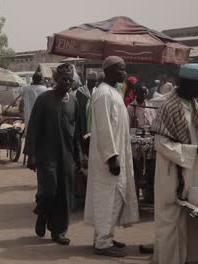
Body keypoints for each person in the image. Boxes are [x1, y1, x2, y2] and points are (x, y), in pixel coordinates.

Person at [151, 64, 198, 264]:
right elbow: (162, 144)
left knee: (193, 220)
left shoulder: (193, 104)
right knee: (171, 223)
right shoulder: (169, 106)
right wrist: (195, 151)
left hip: (193, 170)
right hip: (173, 173)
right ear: (187, 84)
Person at [84, 56, 139, 258]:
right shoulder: (103, 94)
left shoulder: (113, 92)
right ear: (108, 71)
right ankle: (102, 243)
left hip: (117, 155)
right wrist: (112, 157)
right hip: (109, 158)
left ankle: (106, 236)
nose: (123, 73)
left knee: (113, 198)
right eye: (120, 70)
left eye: (124, 70)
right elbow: (104, 128)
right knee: (107, 199)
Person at [24, 63, 83, 246]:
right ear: (56, 80)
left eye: (69, 80)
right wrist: (31, 154)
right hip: (46, 154)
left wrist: (78, 155)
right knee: (49, 190)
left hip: (67, 155)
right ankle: (42, 214)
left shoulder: (74, 101)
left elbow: (77, 131)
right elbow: (33, 128)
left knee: (65, 194)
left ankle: (58, 231)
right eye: (63, 79)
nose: (67, 83)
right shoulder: (44, 99)